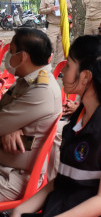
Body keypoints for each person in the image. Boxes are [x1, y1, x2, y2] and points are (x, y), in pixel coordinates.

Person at [12, 35, 101, 217]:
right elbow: (61, 181)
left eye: (69, 65)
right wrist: (20, 210)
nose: (63, 71)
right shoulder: (80, 116)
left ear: (86, 76)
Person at [0, 28, 61, 202]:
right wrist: (9, 129)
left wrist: (6, 127)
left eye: (11, 51)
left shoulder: (42, 91)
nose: (8, 57)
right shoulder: (26, 81)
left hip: (14, 177)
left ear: (23, 56)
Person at [39, 0, 72, 68]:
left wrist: (68, 7)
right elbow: (41, 10)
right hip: (52, 26)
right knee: (51, 46)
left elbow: (70, 10)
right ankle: (48, 66)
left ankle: (59, 68)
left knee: (61, 48)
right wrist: (51, 9)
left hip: (63, 26)